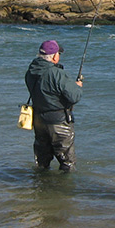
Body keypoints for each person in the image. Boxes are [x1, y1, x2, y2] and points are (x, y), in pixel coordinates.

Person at [25, 40, 83, 172]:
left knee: (42, 162)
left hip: (38, 120)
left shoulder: (30, 72)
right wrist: (77, 87)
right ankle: (62, 190)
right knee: (68, 164)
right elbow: (75, 96)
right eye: (58, 54)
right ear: (54, 56)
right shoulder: (57, 74)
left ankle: (39, 188)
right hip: (58, 122)